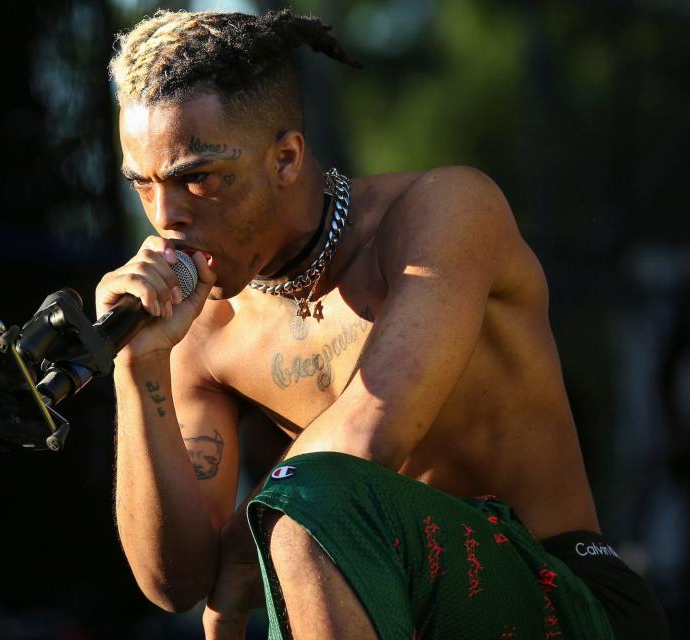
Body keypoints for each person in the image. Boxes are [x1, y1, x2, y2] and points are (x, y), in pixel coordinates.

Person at [97, 9, 668, 640]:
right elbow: (175, 583)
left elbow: (371, 440)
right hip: (381, 609)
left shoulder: (444, 212)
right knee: (300, 513)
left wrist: (244, 547)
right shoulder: (203, 329)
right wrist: (136, 362)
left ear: (286, 158)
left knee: (304, 511)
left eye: (197, 179)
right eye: (142, 185)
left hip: (562, 595)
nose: (166, 217)